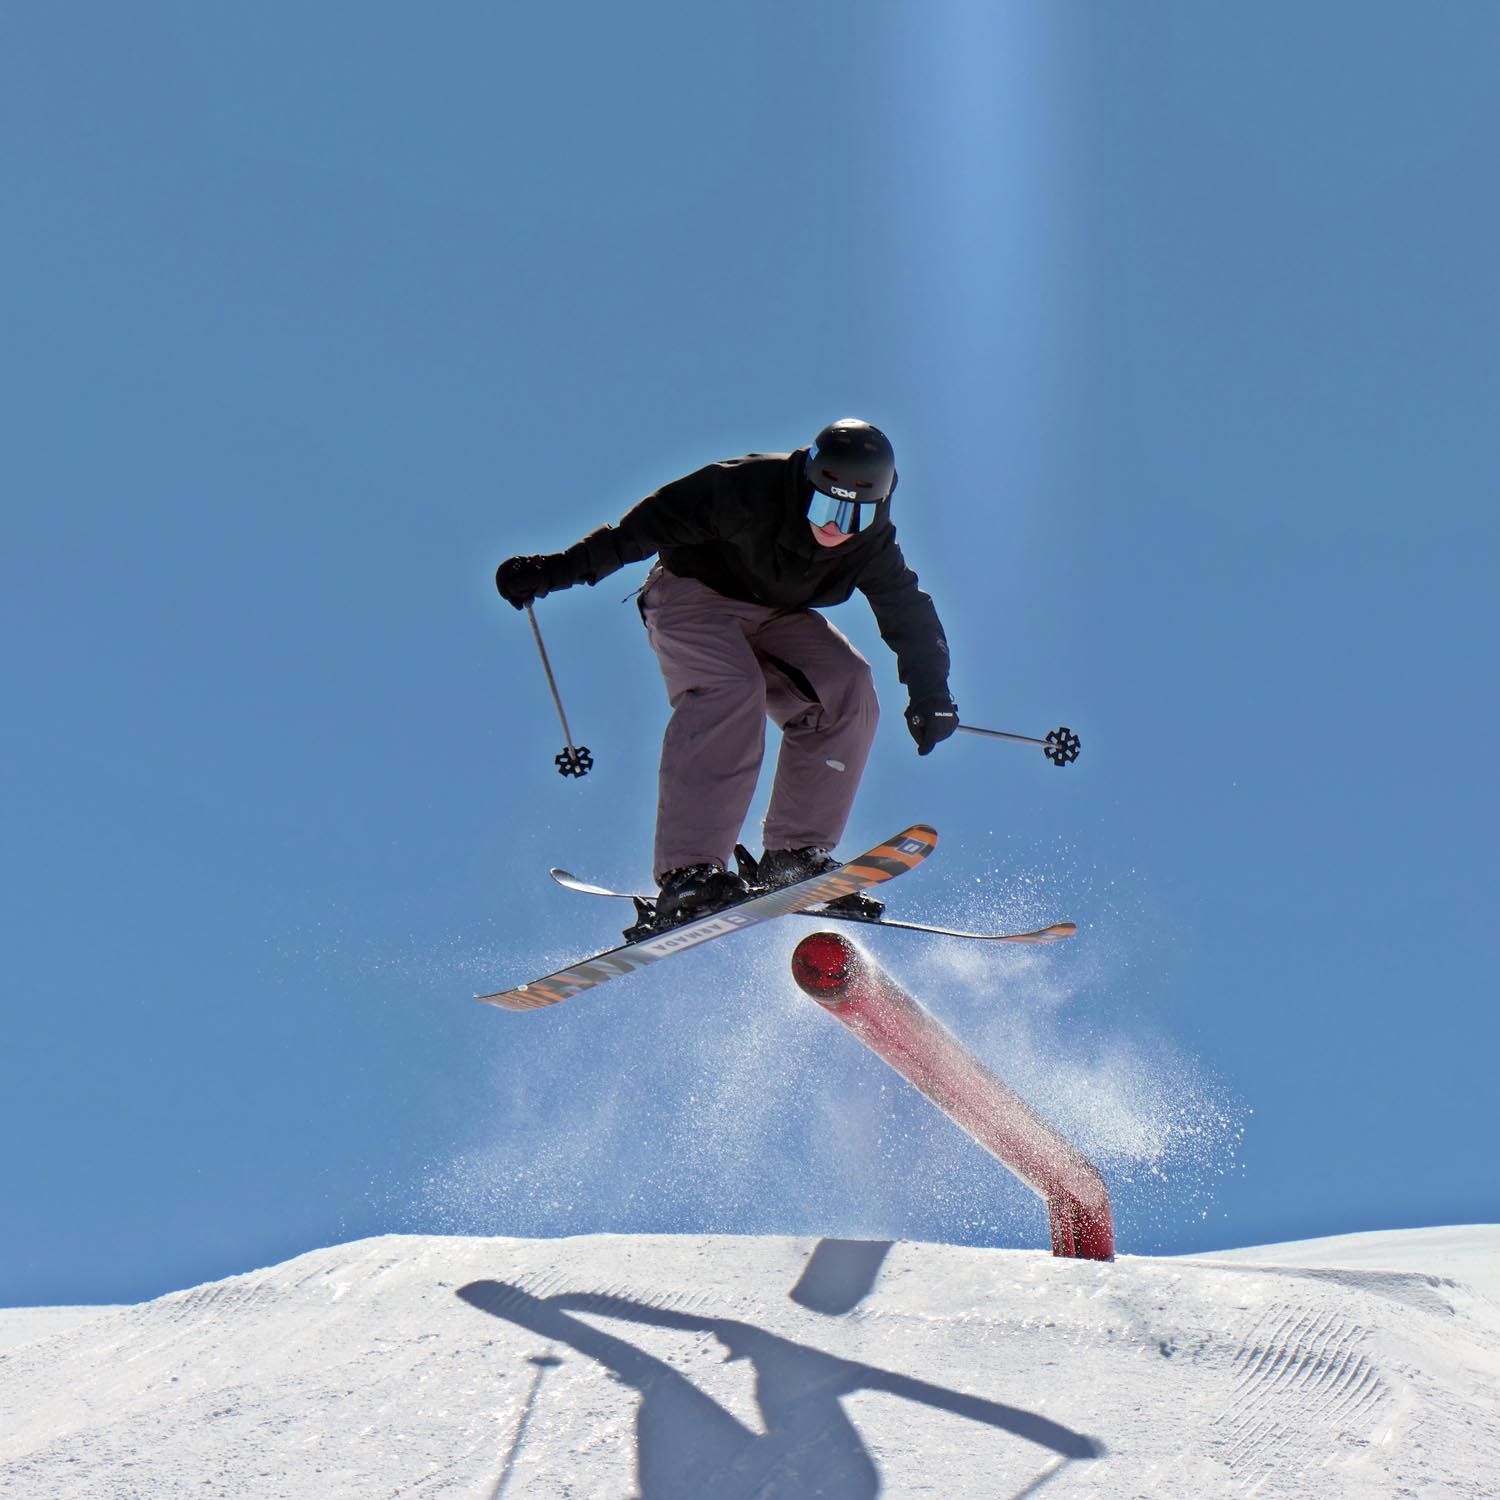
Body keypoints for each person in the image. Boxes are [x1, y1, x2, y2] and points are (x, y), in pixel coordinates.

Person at [496, 419, 957, 926]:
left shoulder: (870, 544)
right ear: (806, 483)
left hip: (780, 615)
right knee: (732, 689)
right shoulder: (742, 488)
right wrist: (552, 571)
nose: (835, 527)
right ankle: (689, 872)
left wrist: (931, 691)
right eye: (826, 506)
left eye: (854, 516)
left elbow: (908, 612)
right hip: (693, 596)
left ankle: (794, 856)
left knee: (847, 686)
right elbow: (638, 531)